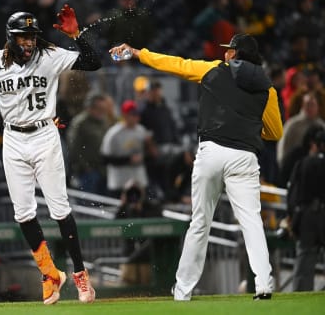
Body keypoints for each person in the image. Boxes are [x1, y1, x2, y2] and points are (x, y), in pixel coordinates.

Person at [109, 33, 283, 300]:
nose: (225, 53)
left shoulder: (213, 70)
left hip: (211, 152)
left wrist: (138, 52)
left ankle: (183, 290)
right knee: (251, 221)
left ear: (235, 54)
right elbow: (275, 132)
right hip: (244, 156)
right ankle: (263, 283)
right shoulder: (267, 87)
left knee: (200, 223)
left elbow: (175, 64)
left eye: (229, 50)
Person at [0, 6, 100, 304]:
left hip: (44, 135)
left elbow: (93, 62)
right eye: (22, 37)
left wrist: (76, 35)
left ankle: (80, 275)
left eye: (31, 36)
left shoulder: (48, 55)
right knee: (23, 213)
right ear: (10, 38)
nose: (28, 42)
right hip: (12, 138)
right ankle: (50, 274)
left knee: (59, 209)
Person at [286, 129, 325, 291]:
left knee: (304, 259)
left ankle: (301, 294)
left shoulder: (302, 163)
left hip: (306, 215)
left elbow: (292, 194)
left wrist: (291, 216)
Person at [100, 99, 156, 198]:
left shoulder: (141, 130)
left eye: (137, 115)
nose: (136, 118)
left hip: (139, 181)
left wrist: (150, 146)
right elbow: (105, 159)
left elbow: (152, 155)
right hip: (119, 182)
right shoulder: (114, 134)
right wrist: (128, 160)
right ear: (125, 115)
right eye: (133, 114)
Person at [67, 93, 110, 194]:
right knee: (88, 205)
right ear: (90, 108)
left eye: (103, 108)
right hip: (87, 173)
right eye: (98, 108)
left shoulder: (103, 122)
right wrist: (86, 168)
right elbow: (73, 149)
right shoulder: (80, 123)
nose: (102, 111)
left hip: (103, 170)